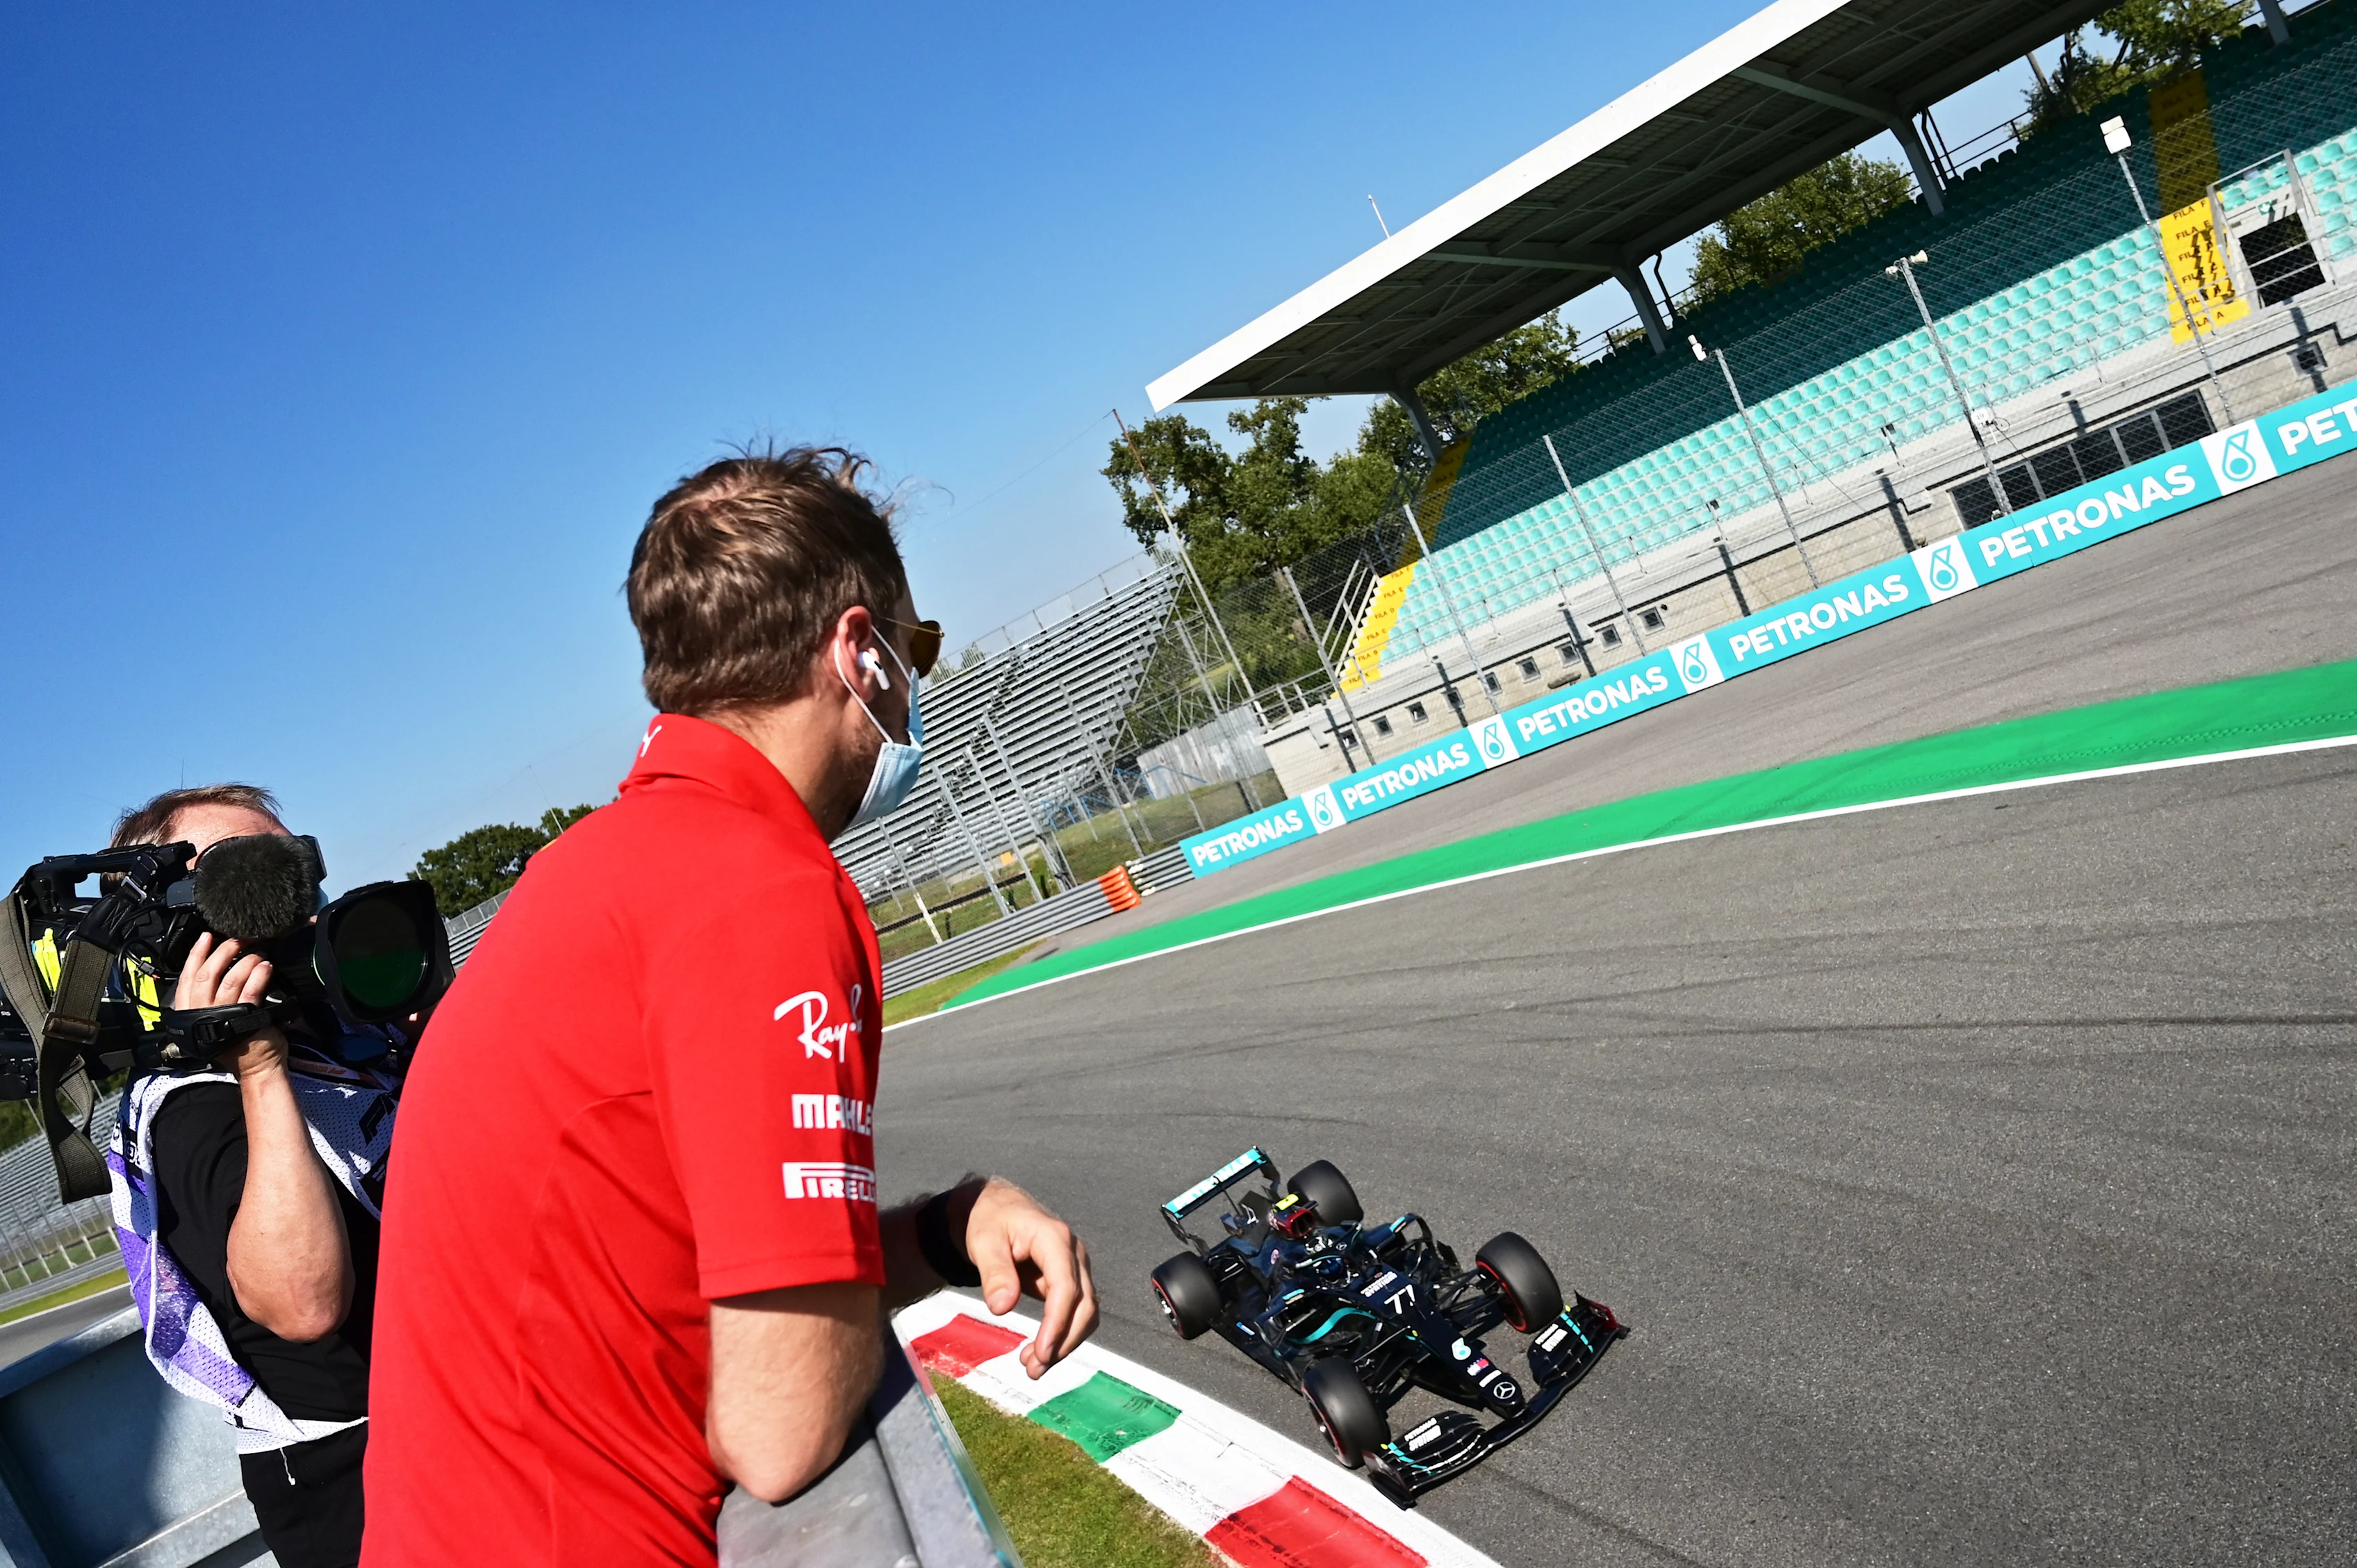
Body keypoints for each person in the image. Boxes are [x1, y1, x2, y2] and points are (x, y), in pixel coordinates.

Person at [363, 449, 1099, 1567]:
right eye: (919, 648)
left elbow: (698, 1305)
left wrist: (941, 1228)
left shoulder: (588, 870)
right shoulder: (760, 887)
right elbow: (783, 1427)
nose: (920, 680)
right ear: (860, 651)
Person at [106, 784, 406, 1568]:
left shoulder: (349, 1044)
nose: (292, 901)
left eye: (294, 870)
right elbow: (302, 1305)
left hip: (488, 1423)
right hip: (372, 1489)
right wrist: (258, 1065)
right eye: (248, 879)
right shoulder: (189, 1108)